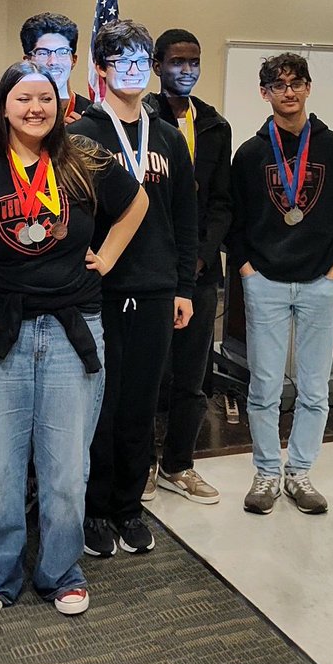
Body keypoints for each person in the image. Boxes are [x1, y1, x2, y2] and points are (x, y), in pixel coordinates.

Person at [0, 60, 147, 619]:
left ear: (62, 105)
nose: (34, 109)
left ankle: (62, 571)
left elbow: (138, 204)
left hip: (72, 328)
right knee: (2, 467)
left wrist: (105, 258)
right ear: (3, 106)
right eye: (22, 99)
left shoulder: (83, 159)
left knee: (65, 468)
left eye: (45, 98)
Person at [68, 20, 196, 558]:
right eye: (121, 62)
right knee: (101, 402)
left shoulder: (166, 133)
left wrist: (183, 284)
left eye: (142, 62)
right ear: (100, 69)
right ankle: (96, 510)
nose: (133, 71)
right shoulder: (83, 135)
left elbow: (186, 216)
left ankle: (127, 506)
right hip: (100, 287)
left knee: (142, 405)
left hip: (157, 285)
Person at [227, 52, 333, 516]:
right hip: (265, 281)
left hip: (319, 283)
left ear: (308, 88)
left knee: (314, 388)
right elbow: (232, 219)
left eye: (295, 83)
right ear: (264, 93)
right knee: (264, 386)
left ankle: (301, 472)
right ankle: (268, 473)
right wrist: (247, 268)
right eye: (277, 84)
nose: (287, 91)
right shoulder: (251, 154)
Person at [148, 28, 232, 504]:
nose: (186, 70)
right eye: (177, 61)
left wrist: (201, 255)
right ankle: (141, 465)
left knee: (193, 379)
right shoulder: (142, 121)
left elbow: (222, 203)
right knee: (147, 378)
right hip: (154, 272)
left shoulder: (215, 126)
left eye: (194, 62)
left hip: (200, 271)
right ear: (158, 65)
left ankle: (179, 464)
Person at [20, 12, 90, 121]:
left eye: (62, 52)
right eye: (43, 53)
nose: (53, 62)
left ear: (74, 60)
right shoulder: (16, 114)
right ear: (27, 62)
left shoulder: (89, 117)